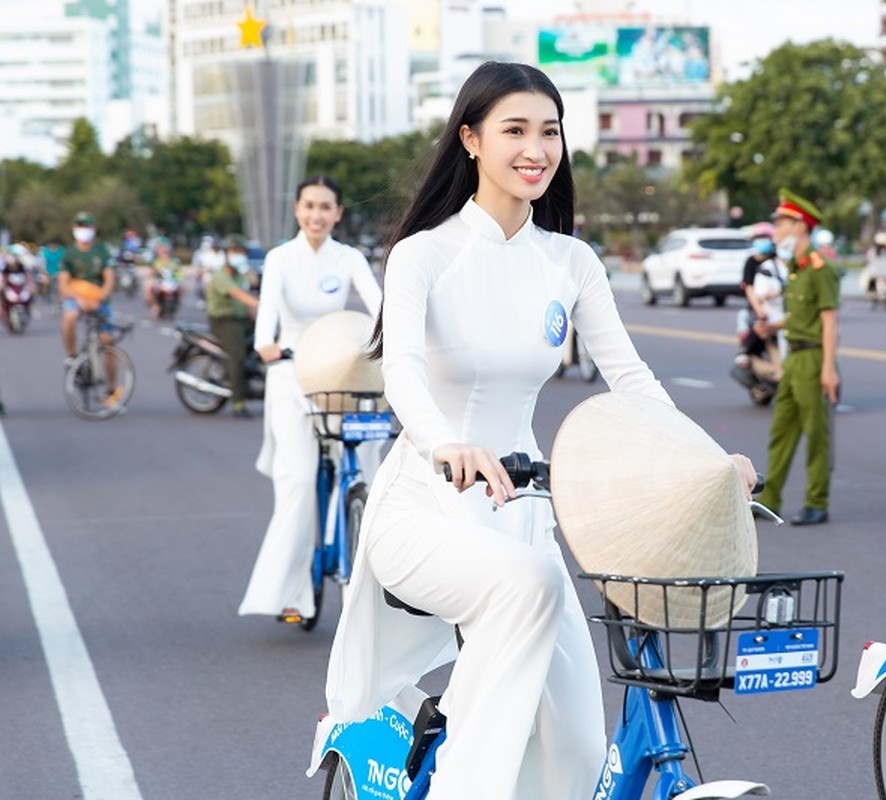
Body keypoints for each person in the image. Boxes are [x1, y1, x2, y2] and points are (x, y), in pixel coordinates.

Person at [321, 61, 756, 800]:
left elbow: (633, 381)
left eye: (548, 131)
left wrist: (712, 462)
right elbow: (403, 375)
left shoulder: (569, 261)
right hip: (426, 505)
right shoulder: (425, 253)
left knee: (578, 745)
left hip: (523, 512)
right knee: (522, 587)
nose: (536, 149)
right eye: (514, 130)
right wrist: (444, 445)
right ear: (470, 140)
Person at [238, 175, 382, 621]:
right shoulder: (281, 259)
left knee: (373, 470)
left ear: (338, 213)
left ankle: (380, 586)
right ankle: (292, 592)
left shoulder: (349, 258)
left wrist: (393, 333)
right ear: (298, 210)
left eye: (326, 207)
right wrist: (267, 344)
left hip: (339, 371)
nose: (317, 215)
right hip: (291, 372)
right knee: (299, 481)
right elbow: (267, 320)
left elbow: (380, 305)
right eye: (309, 206)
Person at [755, 190, 840, 526]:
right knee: (781, 431)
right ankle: (771, 498)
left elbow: (829, 321)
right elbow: (799, 316)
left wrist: (829, 369)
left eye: (781, 223)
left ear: (800, 227)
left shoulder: (821, 269)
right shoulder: (795, 268)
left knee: (816, 434)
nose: (776, 230)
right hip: (793, 360)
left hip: (813, 358)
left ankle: (817, 501)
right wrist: (773, 325)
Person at [58, 212, 122, 405]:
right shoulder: (69, 253)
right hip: (76, 297)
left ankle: (111, 390)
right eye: (80, 226)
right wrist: (79, 299)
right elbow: (63, 283)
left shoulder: (102, 251)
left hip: (98, 300)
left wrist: (99, 298)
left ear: (94, 229)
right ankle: (71, 356)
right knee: (69, 316)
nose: (83, 230)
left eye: (86, 226)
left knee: (108, 342)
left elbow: (109, 280)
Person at [205, 242, 259, 417]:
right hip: (224, 320)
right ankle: (238, 402)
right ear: (226, 254)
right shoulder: (220, 275)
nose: (239, 255)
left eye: (242, 252)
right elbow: (239, 295)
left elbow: (251, 290)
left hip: (242, 319)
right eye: (235, 251)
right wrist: (263, 305)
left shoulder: (240, 275)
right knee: (238, 355)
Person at [731, 236, 784, 383]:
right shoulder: (753, 263)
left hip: (779, 307)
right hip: (760, 305)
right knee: (758, 324)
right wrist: (759, 308)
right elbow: (749, 288)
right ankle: (745, 353)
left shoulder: (777, 261)